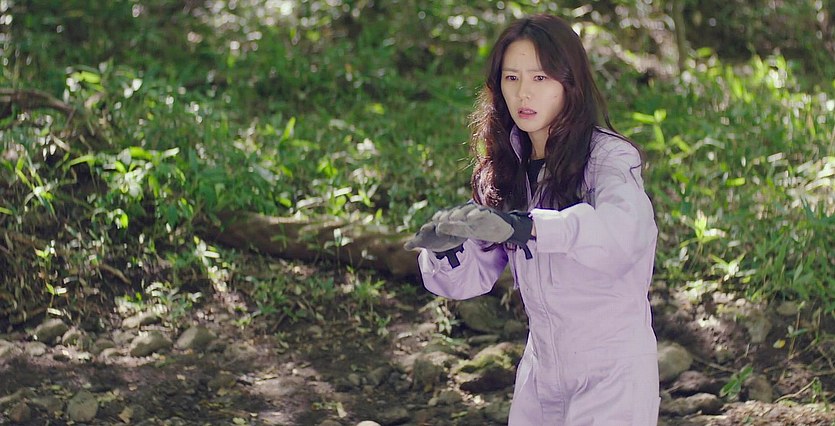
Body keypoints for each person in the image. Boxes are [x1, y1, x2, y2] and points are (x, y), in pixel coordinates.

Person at [404, 14, 660, 425]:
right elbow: (471, 279)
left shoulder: (609, 157)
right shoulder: (510, 167)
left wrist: (530, 227)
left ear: (569, 82)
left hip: (613, 374)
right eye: (512, 78)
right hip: (541, 372)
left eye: (540, 78)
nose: (524, 92)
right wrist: (447, 250)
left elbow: (622, 234)